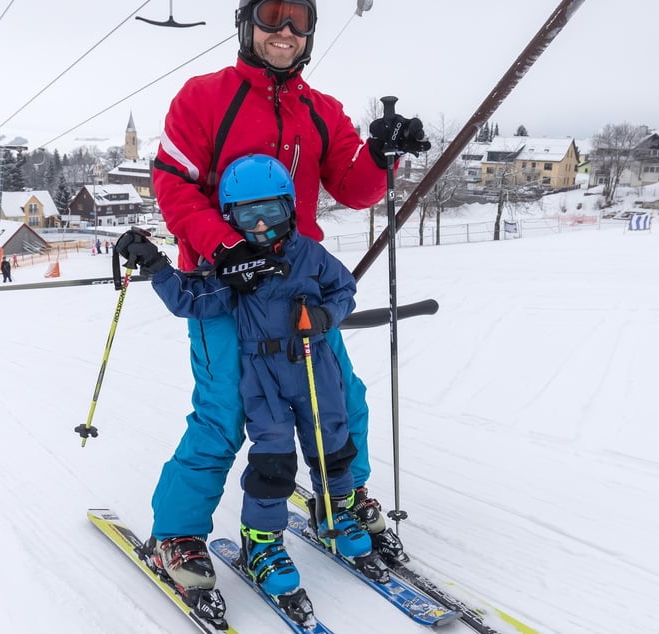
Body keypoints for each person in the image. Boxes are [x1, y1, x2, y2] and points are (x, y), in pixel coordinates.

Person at [125, 0, 430, 598]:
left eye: (298, 18)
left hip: (298, 290)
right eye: (272, 14)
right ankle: (178, 534)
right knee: (223, 416)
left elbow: (356, 187)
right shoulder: (203, 98)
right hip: (223, 289)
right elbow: (174, 185)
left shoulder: (321, 110)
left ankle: (339, 497)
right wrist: (224, 247)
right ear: (247, 23)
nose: (285, 30)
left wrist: (379, 155)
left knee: (345, 399)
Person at [127, 155, 373, 599]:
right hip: (265, 381)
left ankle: (337, 513)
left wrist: (324, 315)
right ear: (229, 219)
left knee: (334, 445)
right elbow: (193, 300)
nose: (259, 227)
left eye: (270, 213)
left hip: (316, 369)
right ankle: (262, 544)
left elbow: (344, 290)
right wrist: (158, 267)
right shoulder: (236, 271)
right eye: (246, 217)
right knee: (273, 461)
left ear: (290, 207)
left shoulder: (311, 256)